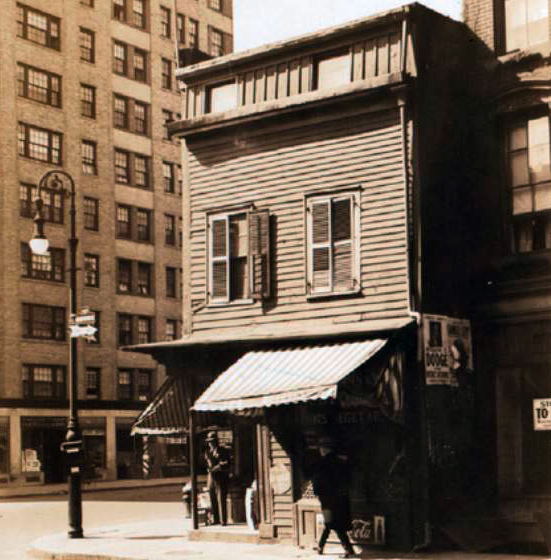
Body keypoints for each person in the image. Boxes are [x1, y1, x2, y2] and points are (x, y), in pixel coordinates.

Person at [312, 435, 355, 558]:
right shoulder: (341, 462)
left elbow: (317, 482)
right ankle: (322, 546)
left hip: (327, 500)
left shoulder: (321, 463)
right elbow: (348, 479)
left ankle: (347, 549)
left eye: (320, 448)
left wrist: (318, 494)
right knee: (334, 523)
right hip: (341, 498)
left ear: (324, 449)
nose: (320, 451)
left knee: (331, 523)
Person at [204, 431, 230, 525]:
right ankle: (216, 519)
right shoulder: (207, 452)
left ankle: (223, 520)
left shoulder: (223, 450)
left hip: (221, 477)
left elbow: (226, 462)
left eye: (213, 441)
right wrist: (208, 469)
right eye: (210, 442)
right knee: (212, 498)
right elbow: (205, 464)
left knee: (221, 498)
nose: (211, 443)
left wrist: (217, 467)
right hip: (211, 477)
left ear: (216, 442)